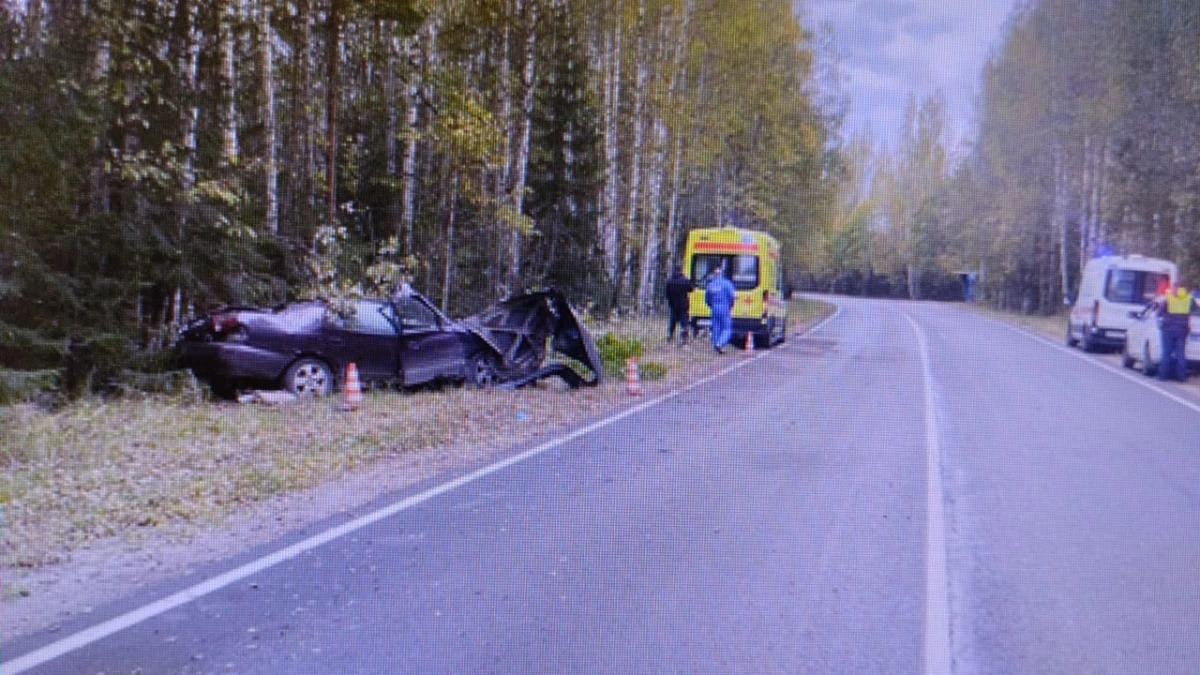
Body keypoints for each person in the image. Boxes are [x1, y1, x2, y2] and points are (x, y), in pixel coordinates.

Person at [1157, 282, 1193, 381]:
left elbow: (1159, 313)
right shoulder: (1188, 298)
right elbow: (1192, 311)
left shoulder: (1168, 298)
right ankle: (1181, 376)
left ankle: (1163, 375)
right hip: (1182, 330)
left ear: (1175, 288)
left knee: (1166, 353)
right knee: (1180, 353)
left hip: (1168, 329)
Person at [704, 265, 736, 354]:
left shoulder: (710, 285)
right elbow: (732, 297)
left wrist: (712, 305)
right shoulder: (727, 284)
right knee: (727, 328)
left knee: (716, 327)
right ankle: (720, 343)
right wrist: (730, 306)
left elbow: (707, 299)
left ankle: (716, 345)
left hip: (714, 308)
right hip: (725, 307)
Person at [664, 264, 694, 344]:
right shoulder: (685, 280)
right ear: (681, 270)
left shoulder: (669, 281)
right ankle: (684, 338)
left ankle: (670, 335)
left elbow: (667, 294)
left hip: (673, 304)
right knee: (684, 321)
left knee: (672, 321)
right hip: (683, 305)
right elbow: (691, 289)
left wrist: (670, 301)